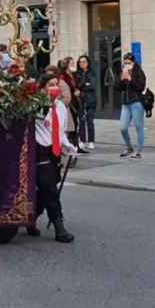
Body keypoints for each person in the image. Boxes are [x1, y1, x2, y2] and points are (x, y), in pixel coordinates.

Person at [28, 73, 78, 242]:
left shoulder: (61, 107)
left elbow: (60, 131)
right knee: (49, 187)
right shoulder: (35, 105)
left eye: (56, 84)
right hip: (39, 148)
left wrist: (68, 146)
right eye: (50, 84)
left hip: (54, 150)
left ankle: (32, 217)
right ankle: (59, 227)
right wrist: (44, 103)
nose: (55, 88)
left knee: (47, 187)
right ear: (42, 88)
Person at [118, 53, 147, 158]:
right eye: (125, 63)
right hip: (125, 103)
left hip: (136, 102)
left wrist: (130, 79)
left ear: (134, 63)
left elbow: (141, 87)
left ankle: (138, 151)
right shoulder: (123, 71)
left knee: (139, 127)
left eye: (129, 63)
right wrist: (122, 79)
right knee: (123, 128)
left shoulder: (139, 72)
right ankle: (129, 147)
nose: (127, 65)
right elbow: (118, 88)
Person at [75, 55, 97, 149]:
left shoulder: (92, 73)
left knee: (90, 121)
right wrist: (85, 83)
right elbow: (77, 86)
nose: (82, 63)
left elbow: (92, 86)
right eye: (80, 62)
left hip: (90, 100)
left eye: (84, 61)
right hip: (80, 100)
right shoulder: (77, 74)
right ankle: (82, 140)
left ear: (88, 63)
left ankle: (91, 141)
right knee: (81, 121)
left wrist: (82, 86)